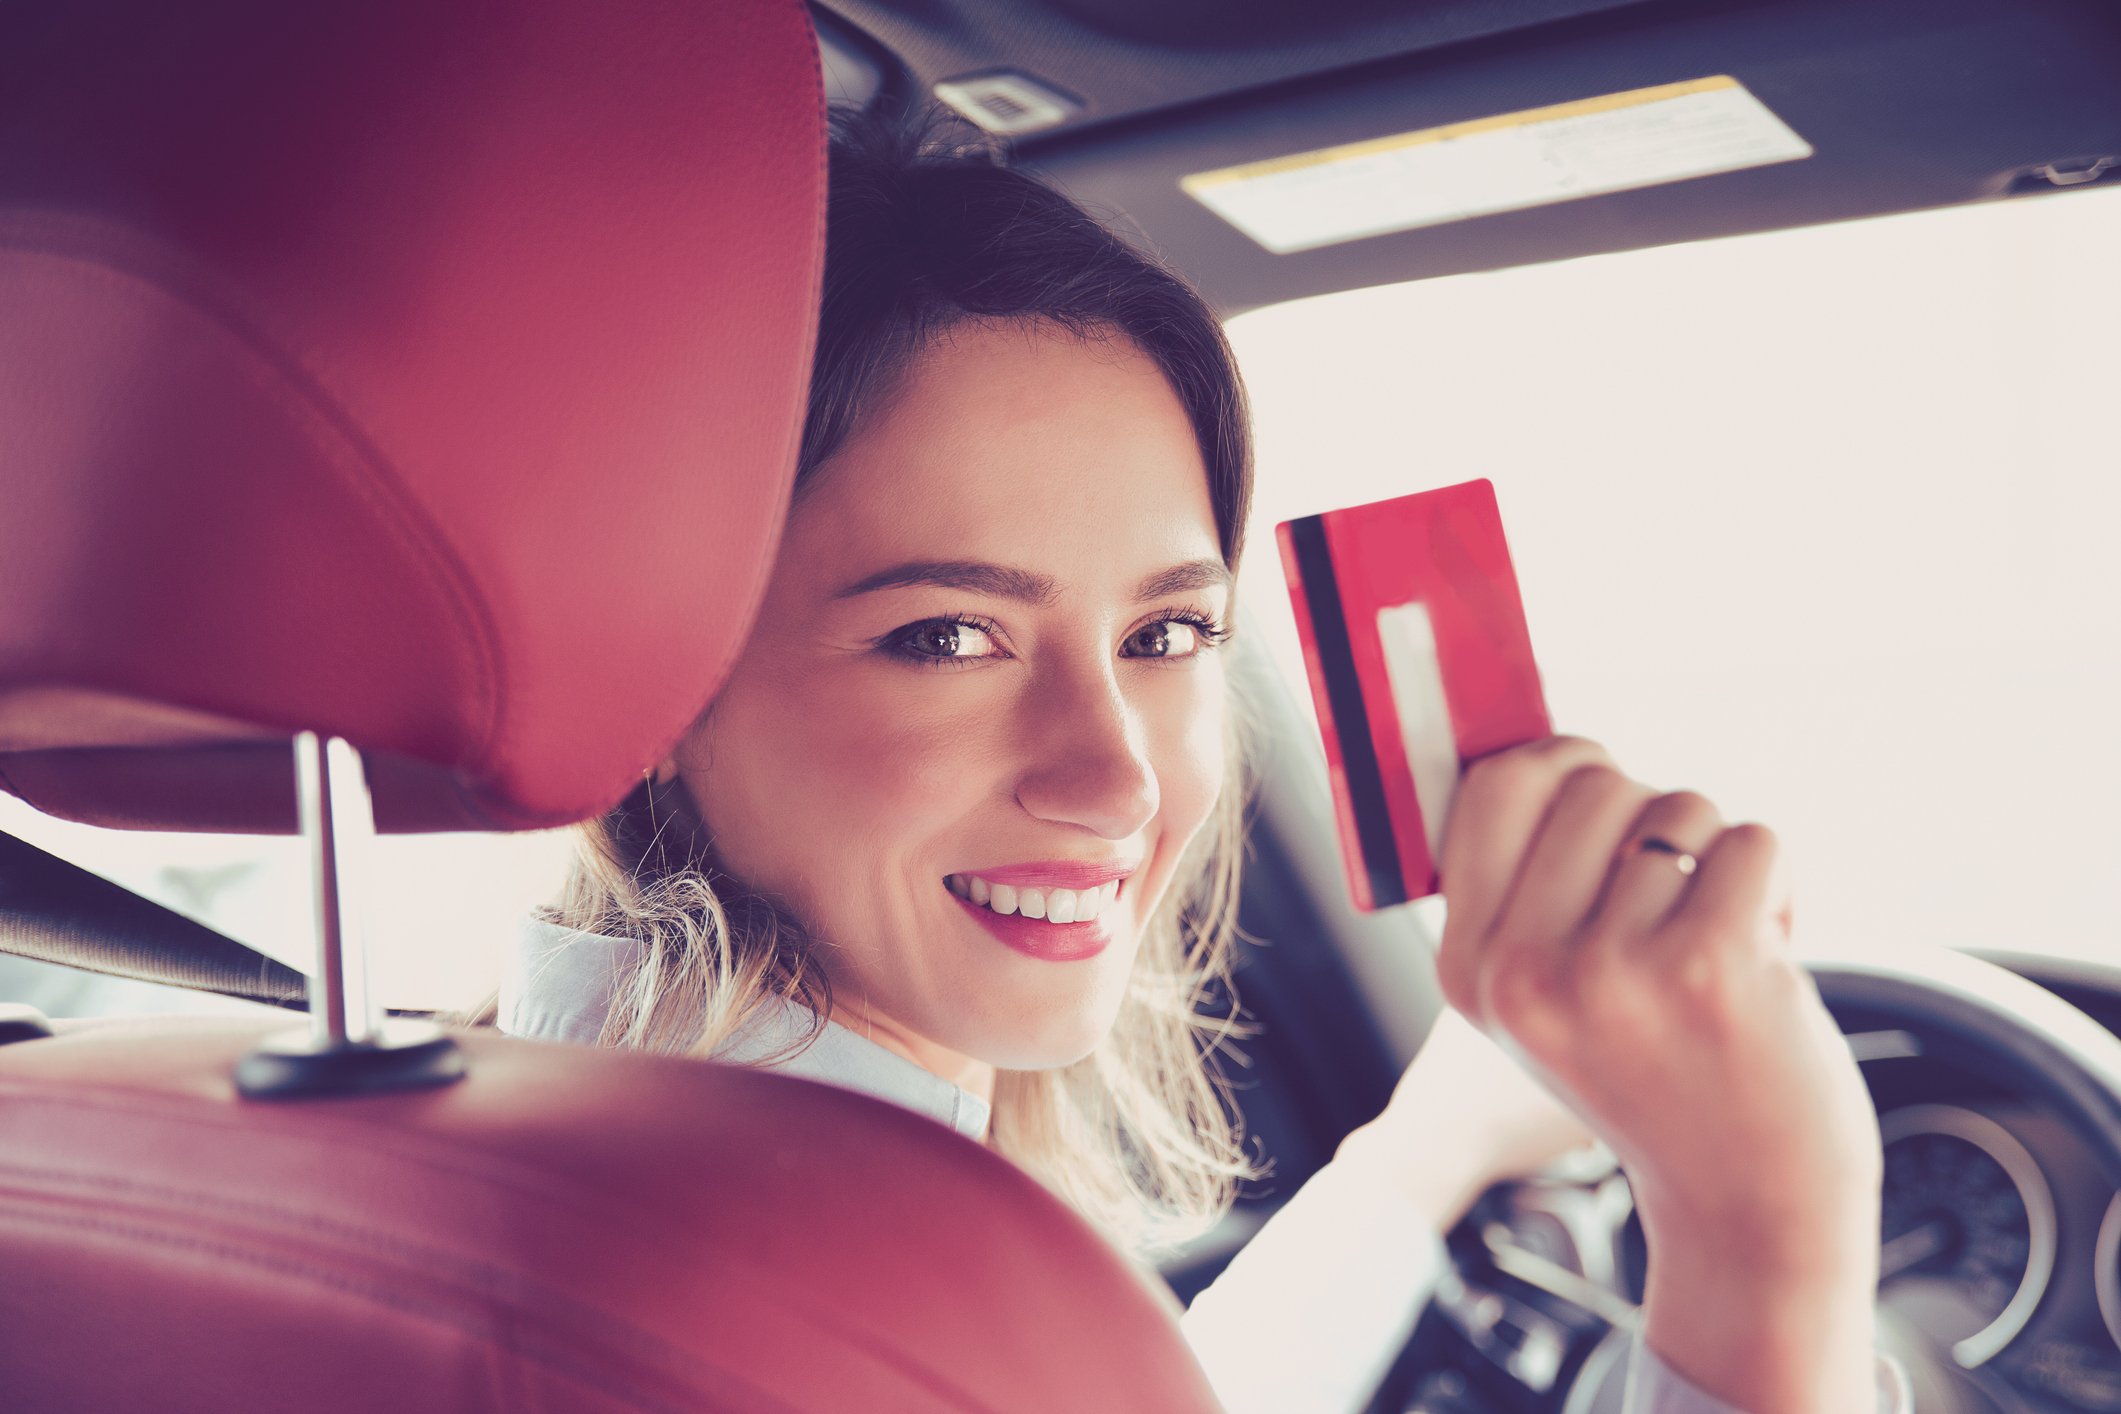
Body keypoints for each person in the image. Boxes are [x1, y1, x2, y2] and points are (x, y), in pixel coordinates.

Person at [499, 107, 1904, 1413]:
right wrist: (1762, 1242)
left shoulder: (506, 1132)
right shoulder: (836, 1312)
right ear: (665, 674)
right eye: (947, 638)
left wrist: (1414, 1159)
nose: (1115, 781)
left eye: (1166, 630)